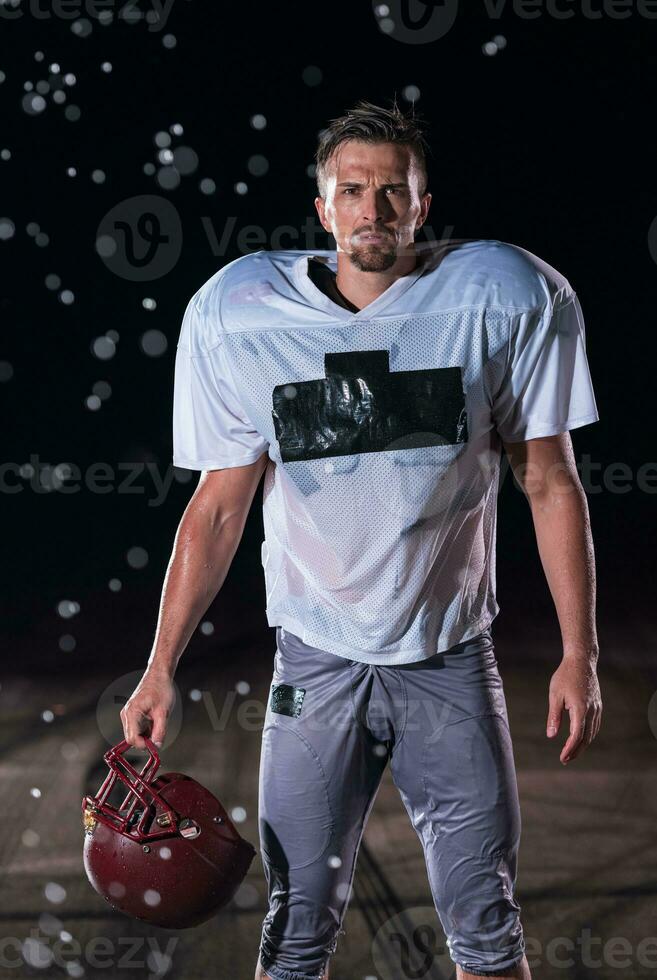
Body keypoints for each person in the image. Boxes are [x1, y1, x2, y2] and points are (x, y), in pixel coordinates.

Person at [120, 99, 603, 980]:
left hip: (448, 654)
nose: (372, 210)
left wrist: (580, 651)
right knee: (293, 925)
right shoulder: (240, 313)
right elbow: (218, 508)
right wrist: (160, 663)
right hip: (316, 655)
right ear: (321, 207)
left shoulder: (503, 296)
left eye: (392, 191)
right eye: (352, 191)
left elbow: (547, 479)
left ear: (423, 203)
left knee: (487, 927)